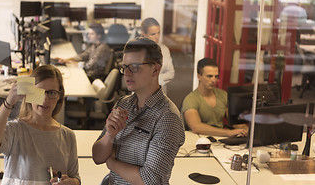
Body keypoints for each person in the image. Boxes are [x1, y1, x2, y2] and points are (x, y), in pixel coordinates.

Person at [92, 37, 185, 185]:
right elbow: (97, 157)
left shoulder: (168, 118)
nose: (127, 73)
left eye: (134, 67)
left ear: (155, 69)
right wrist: (109, 136)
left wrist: (112, 163)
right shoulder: (124, 103)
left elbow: (150, 180)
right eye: (125, 67)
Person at [0, 65, 81, 185]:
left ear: (59, 96)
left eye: (52, 93)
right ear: (28, 94)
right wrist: (9, 102)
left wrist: (72, 182)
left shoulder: (67, 135)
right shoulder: (15, 130)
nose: (45, 99)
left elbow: (75, 178)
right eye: (39, 92)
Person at [181, 58, 248, 137]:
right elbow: (196, 127)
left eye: (216, 76)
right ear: (199, 76)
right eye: (209, 76)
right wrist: (228, 133)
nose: (214, 80)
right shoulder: (190, 99)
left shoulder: (223, 95)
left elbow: (234, 121)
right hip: (199, 141)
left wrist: (244, 129)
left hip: (220, 140)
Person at [140, 17, 175, 91]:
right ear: (144, 34)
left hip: (160, 91)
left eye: (158, 33)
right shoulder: (137, 51)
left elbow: (171, 73)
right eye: (153, 34)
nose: (157, 37)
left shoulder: (164, 50)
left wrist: (156, 79)